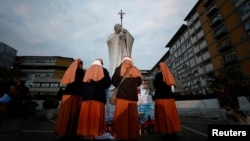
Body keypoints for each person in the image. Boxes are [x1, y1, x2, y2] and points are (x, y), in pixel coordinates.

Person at [77, 59, 111, 140]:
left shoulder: (88, 70)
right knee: (95, 118)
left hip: (86, 98)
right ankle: (93, 135)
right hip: (98, 98)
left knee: (87, 117)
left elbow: (83, 83)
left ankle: (86, 134)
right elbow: (107, 83)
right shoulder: (104, 70)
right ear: (101, 64)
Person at [111, 56, 142, 141]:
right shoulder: (135, 69)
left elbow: (114, 81)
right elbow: (139, 82)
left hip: (121, 98)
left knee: (121, 119)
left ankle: (122, 135)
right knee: (132, 119)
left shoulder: (118, 69)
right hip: (132, 99)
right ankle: (132, 135)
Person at [54, 59, 85, 140]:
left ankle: (62, 132)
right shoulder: (80, 72)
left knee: (65, 115)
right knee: (72, 116)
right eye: (81, 64)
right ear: (79, 64)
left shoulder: (70, 71)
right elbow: (81, 85)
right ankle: (70, 132)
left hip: (66, 96)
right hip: (75, 96)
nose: (82, 66)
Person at [152, 62, 181, 140]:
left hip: (161, 99)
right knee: (171, 116)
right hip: (170, 99)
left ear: (159, 68)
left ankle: (168, 132)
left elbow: (155, 85)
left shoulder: (158, 75)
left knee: (164, 117)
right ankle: (173, 133)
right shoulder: (169, 74)